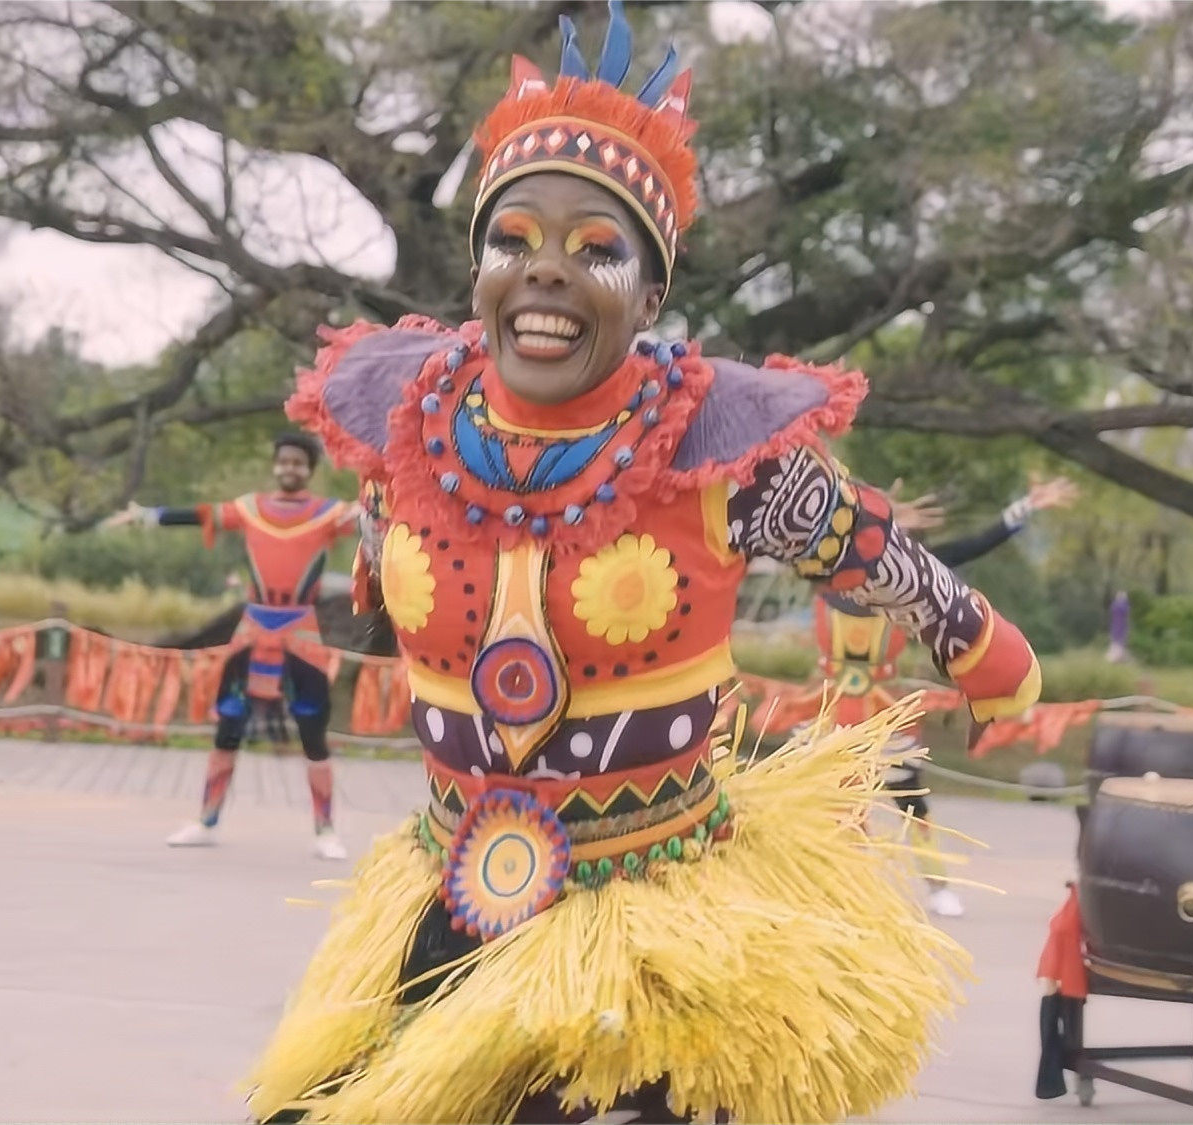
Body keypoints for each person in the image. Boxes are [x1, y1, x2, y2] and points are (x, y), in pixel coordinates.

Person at [241, 6, 1044, 1121]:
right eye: (511, 241)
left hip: (645, 918)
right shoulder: (400, 419)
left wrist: (983, 650)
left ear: (653, 296)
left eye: (595, 251)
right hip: (451, 889)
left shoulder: (716, 446)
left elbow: (871, 549)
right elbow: (380, 588)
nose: (544, 275)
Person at [803, 474, 1078, 918]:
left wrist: (1027, 505)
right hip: (830, 712)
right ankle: (838, 890)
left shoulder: (909, 574)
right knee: (831, 804)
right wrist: (854, 507)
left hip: (883, 715)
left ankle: (936, 885)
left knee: (912, 803)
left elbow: (974, 544)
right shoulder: (823, 565)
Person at [105, 434, 357, 861]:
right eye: (284, 462)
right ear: (275, 465)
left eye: (298, 463)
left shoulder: (330, 514)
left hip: (302, 631)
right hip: (253, 628)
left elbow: (377, 522)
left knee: (313, 730)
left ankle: (326, 830)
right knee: (229, 724)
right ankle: (206, 821)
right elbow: (201, 514)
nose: (289, 469)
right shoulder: (250, 508)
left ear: (309, 471)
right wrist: (147, 516)